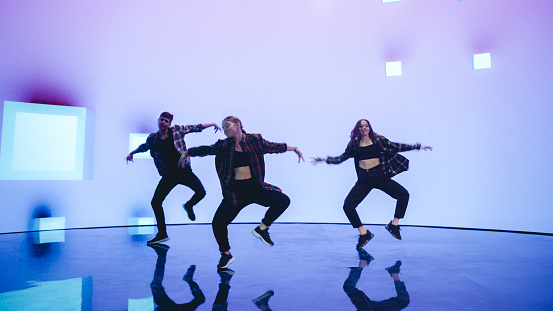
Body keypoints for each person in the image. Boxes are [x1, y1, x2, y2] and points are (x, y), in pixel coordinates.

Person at [180, 116, 304, 269]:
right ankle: (226, 254)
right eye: (223, 128)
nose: (224, 130)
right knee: (218, 223)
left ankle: (262, 228)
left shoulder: (255, 140)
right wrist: (187, 153)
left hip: (255, 187)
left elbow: (274, 147)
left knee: (283, 200)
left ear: (238, 125)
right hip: (235, 192)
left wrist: (295, 149)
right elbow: (207, 149)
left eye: (227, 126)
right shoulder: (224, 145)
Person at [312, 119, 432, 248]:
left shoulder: (378, 140)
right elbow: (342, 158)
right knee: (348, 206)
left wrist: (417, 146)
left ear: (369, 127)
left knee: (404, 195)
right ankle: (364, 234)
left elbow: (396, 146)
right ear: (358, 129)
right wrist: (325, 160)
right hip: (364, 180)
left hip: (380, 176)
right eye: (362, 126)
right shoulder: (354, 144)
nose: (364, 128)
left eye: (366, 126)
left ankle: (394, 225)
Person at [126, 112, 221, 245]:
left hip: (184, 171)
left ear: (169, 124)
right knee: (156, 202)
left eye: (166, 121)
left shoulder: (176, 130)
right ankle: (162, 234)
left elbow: (195, 127)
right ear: (158, 120)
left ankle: (189, 205)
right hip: (168, 175)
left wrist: (212, 124)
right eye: (162, 119)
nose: (163, 122)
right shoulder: (153, 138)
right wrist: (132, 153)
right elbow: (144, 147)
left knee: (201, 192)